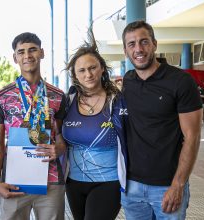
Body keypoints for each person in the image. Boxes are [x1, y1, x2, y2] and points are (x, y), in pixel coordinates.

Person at [121, 20, 202, 219]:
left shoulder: (181, 81)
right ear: (125, 51)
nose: (138, 49)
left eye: (144, 42)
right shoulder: (128, 81)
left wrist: (178, 185)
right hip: (131, 187)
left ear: (155, 44)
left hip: (167, 185)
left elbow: (192, 137)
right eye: (132, 44)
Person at [0, 32, 67, 220]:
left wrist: (60, 147)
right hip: (14, 181)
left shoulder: (58, 96)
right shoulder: (3, 96)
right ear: (15, 57)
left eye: (33, 50)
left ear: (42, 53)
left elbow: (60, 138)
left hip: (51, 180)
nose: (27, 56)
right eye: (21, 52)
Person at [62, 30, 128, 219]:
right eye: (82, 70)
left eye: (92, 68)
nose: (88, 74)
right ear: (75, 74)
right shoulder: (68, 102)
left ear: (102, 69)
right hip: (73, 182)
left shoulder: (117, 101)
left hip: (108, 183)